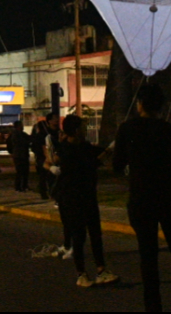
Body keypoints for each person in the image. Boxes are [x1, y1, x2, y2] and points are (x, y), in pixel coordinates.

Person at [113, 83, 171, 313]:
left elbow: (117, 165)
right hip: (168, 196)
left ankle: (153, 306)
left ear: (139, 104)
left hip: (141, 197)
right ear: (161, 106)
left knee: (148, 255)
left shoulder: (127, 129)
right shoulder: (169, 130)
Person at [54, 115, 118, 288]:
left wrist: (110, 149)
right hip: (72, 198)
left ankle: (101, 269)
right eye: (82, 127)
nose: (85, 131)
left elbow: (97, 153)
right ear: (75, 130)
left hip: (88, 195)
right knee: (79, 236)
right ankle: (81, 273)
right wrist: (107, 153)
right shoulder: (66, 150)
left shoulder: (84, 146)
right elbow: (90, 164)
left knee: (96, 234)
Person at [31, 115, 52, 199]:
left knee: (42, 177)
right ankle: (46, 191)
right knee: (47, 176)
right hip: (45, 158)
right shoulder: (46, 135)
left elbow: (33, 147)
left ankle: (44, 192)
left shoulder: (38, 136)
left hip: (40, 158)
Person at [9, 121, 31, 192]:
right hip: (19, 155)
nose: (22, 126)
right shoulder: (16, 134)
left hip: (21, 155)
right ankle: (19, 187)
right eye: (21, 125)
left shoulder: (21, 134)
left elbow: (29, 139)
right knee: (20, 172)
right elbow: (24, 141)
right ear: (18, 126)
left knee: (24, 172)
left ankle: (23, 186)